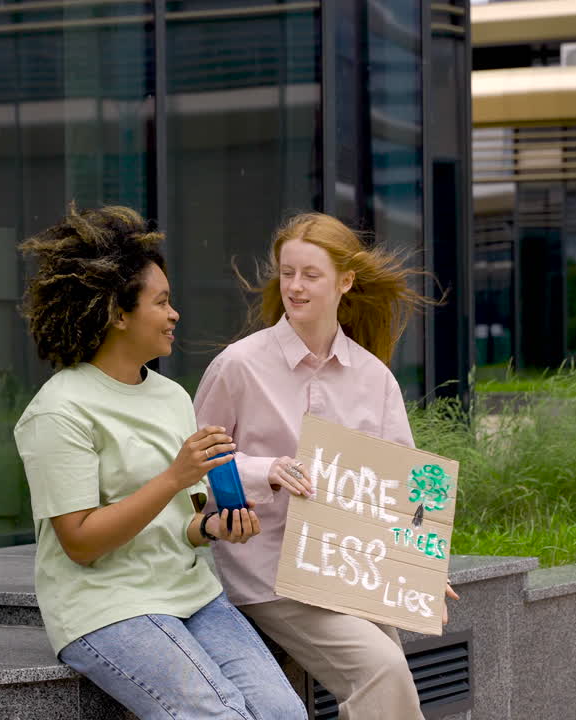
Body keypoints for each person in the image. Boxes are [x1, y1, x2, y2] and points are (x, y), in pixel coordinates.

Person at [12, 204, 307, 720]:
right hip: (107, 607)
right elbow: (79, 542)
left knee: (286, 714)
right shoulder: (60, 410)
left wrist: (213, 527)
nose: (175, 314)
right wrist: (176, 475)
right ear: (118, 313)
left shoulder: (170, 396)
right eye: (162, 302)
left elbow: (178, 524)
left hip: (191, 594)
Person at [193, 212, 459, 720]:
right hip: (268, 571)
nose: (294, 286)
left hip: (351, 568)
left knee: (389, 670)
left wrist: (421, 569)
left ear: (345, 281)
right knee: (381, 669)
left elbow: (404, 489)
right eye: (287, 272)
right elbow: (195, 466)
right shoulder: (238, 365)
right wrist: (266, 469)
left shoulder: (374, 377)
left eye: (309, 275)